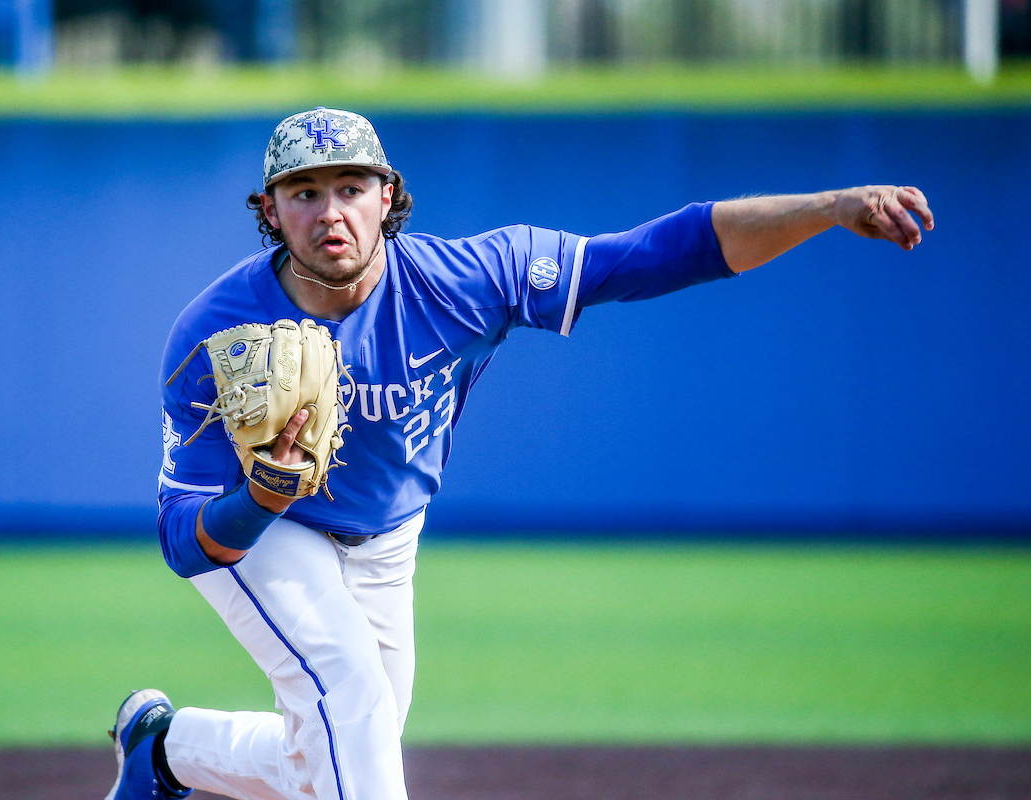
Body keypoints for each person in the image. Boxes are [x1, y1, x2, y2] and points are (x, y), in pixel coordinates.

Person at [108, 106, 934, 800]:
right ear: (270, 209)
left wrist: (828, 206)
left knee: (336, 752)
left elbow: (651, 255)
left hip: (389, 539)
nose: (332, 212)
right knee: (350, 700)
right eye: (305, 192)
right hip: (268, 533)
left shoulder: (465, 281)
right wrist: (262, 498)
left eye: (352, 187)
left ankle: (164, 752)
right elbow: (185, 541)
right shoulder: (213, 335)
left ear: (387, 196)